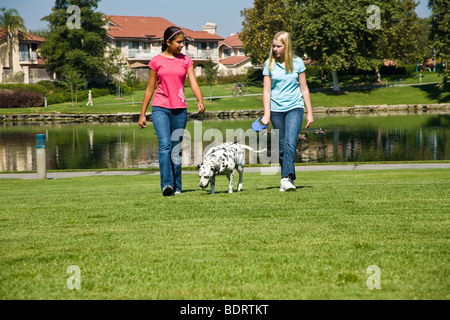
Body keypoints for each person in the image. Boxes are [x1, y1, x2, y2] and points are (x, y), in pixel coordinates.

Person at [138, 26, 205, 196]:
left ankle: (178, 187)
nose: (182, 45)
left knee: (176, 148)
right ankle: (166, 185)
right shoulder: (156, 62)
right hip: (160, 108)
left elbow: (193, 83)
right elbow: (149, 89)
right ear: (168, 42)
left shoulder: (186, 61)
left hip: (180, 110)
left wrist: (200, 100)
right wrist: (142, 114)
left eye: (183, 42)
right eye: (179, 42)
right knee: (165, 146)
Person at [261, 31, 314, 192]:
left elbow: (304, 88)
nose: (275, 49)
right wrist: (267, 114)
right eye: (274, 46)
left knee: (291, 142)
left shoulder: (297, 63)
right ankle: (288, 178)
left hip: (295, 107)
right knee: (283, 145)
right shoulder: (269, 64)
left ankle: (285, 178)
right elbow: (266, 92)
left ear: (286, 46)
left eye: (278, 46)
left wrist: (309, 111)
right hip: (276, 110)